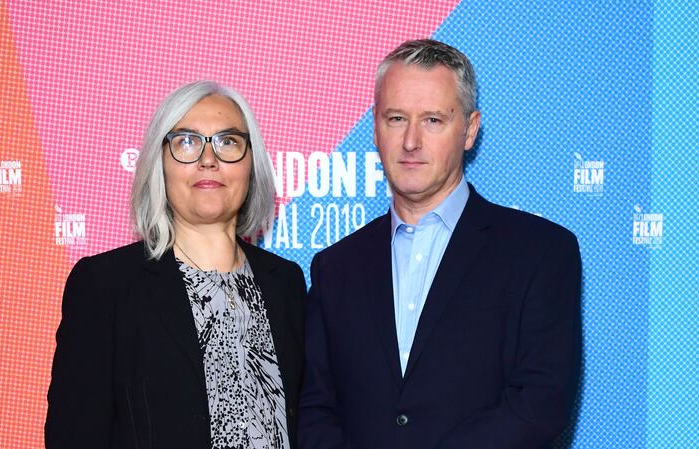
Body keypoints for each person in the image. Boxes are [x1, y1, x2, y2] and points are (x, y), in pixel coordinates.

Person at [299, 39, 582, 449]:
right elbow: (316, 410)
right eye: (396, 118)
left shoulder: (541, 252)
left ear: (469, 130)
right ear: (375, 128)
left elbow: (540, 403)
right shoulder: (335, 266)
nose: (411, 141)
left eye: (433, 120)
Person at [46, 81, 305, 449]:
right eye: (186, 142)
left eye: (228, 142)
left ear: (252, 163)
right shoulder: (105, 286)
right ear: (159, 164)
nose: (208, 159)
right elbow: (74, 435)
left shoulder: (286, 284)